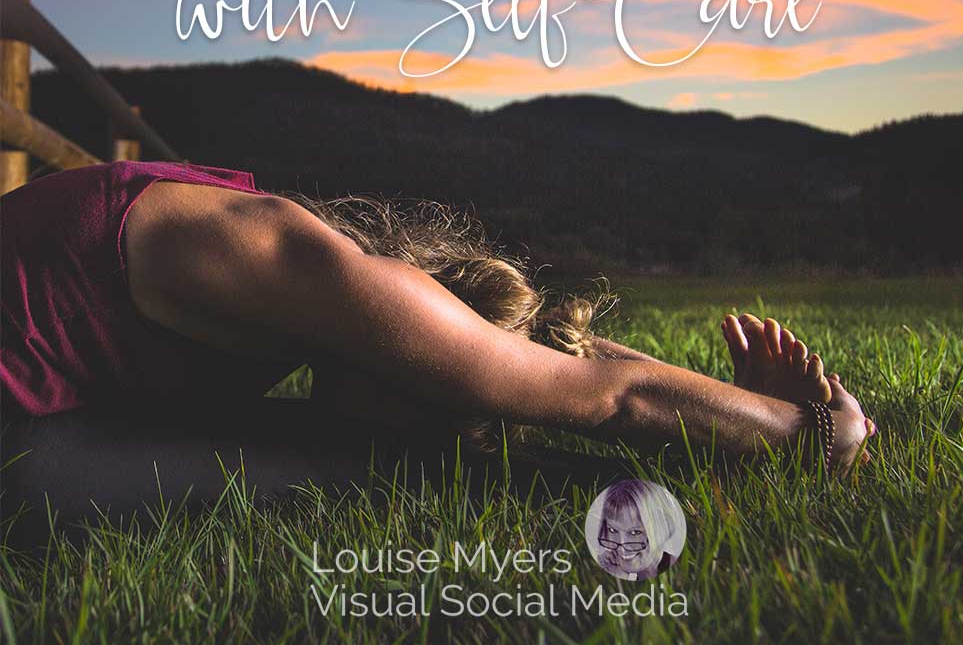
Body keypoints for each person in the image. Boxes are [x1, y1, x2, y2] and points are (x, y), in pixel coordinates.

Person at [1, 161, 875, 544]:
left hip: (51, 419)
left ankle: (713, 466)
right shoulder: (301, 260)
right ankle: (751, 459)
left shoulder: (301, 288)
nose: (454, 416)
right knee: (374, 466)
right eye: (454, 394)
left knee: (391, 461)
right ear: (424, 322)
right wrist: (806, 427)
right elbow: (606, 397)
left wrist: (716, 408)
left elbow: (560, 366)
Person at [588, 479, 686, 580]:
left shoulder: (681, 573)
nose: (621, 545)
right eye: (613, 530)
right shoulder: (613, 568)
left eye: (635, 532)